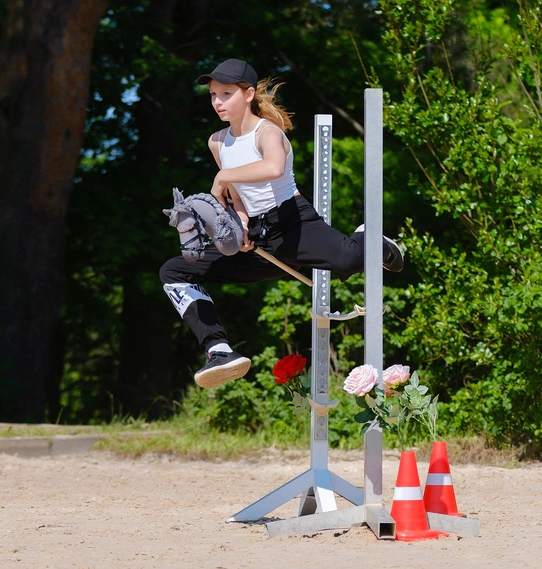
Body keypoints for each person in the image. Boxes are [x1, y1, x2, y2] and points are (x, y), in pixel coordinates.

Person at [159, 58, 403, 389]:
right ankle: (218, 350)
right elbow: (237, 195)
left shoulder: (267, 132)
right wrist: (240, 223)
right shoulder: (217, 141)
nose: (217, 102)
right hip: (258, 237)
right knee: (175, 272)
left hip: (293, 224)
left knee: (348, 260)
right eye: (214, 95)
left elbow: (273, 168)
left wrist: (223, 175)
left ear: (247, 94)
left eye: (226, 93)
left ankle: (368, 239)